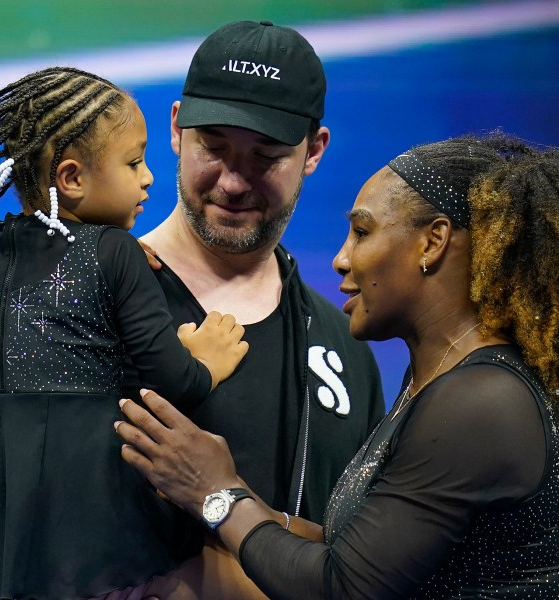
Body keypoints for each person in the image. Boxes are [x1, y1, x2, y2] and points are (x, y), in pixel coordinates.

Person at [116, 131, 559, 599]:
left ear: (433, 242)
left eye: (363, 232)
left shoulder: (480, 400)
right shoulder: (440, 379)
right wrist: (217, 495)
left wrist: (216, 493)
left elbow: (344, 587)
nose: (341, 259)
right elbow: (352, 552)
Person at [0, 67, 249, 599]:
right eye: (134, 162)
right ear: (71, 179)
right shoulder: (113, 252)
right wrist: (205, 360)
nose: (149, 178)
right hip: (88, 522)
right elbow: (173, 382)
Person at [123, 20, 384, 597]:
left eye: (266, 156)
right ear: (175, 129)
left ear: (313, 152)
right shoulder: (78, 306)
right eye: (213, 148)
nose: (234, 182)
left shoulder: (346, 347)